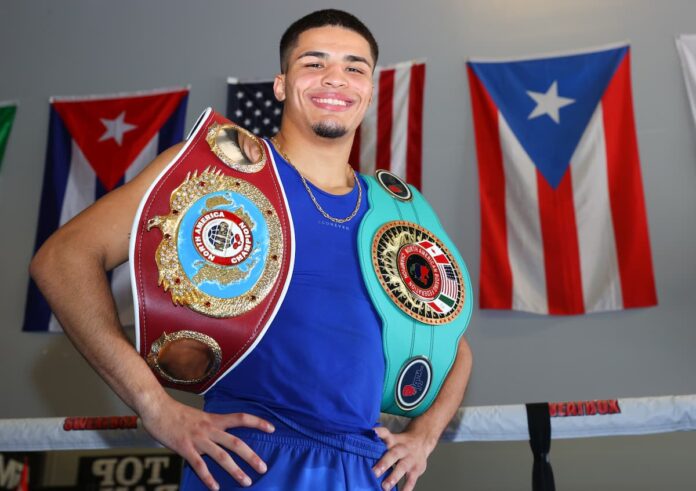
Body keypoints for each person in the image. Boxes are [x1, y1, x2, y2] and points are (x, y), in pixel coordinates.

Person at [30, 9, 472, 491]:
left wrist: (425, 436)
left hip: (363, 470)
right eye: (314, 62)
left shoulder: (397, 212)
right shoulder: (214, 172)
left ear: (370, 88)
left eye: (354, 67)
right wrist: (154, 407)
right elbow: (62, 259)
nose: (334, 79)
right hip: (248, 463)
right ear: (281, 84)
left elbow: (451, 344)